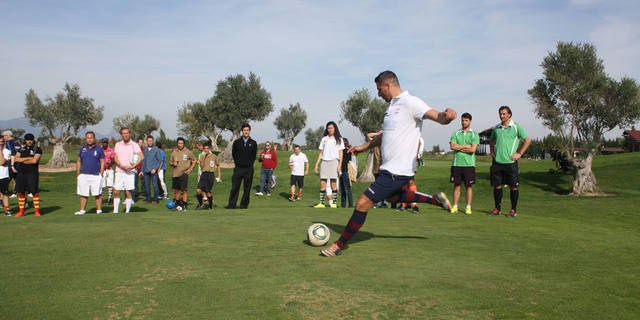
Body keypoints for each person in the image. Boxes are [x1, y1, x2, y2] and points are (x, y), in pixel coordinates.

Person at [321, 70, 456, 257]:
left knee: (362, 203)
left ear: (388, 85)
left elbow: (437, 116)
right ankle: (434, 200)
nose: (378, 94)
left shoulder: (411, 102)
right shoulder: (392, 107)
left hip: (397, 170)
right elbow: (385, 134)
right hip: (389, 168)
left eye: (379, 89)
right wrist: (364, 146)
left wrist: (447, 115)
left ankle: (339, 245)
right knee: (393, 198)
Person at [489, 106, 531, 218]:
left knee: (513, 187)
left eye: (504, 114)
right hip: (497, 162)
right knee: (497, 186)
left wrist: (520, 154)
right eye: (500, 114)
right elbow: (491, 140)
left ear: (509, 115)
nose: (502, 116)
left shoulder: (516, 127)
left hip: (510, 163)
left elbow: (527, 140)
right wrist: (492, 151)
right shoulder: (497, 128)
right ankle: (497, 209)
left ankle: (513, 210)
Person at [449, 113, 479, 214]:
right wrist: (466, 146)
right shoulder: (456, 133)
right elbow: (452, 146)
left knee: (468, 186)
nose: (463, 122)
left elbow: (473, 149)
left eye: (466, 120)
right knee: (457, 186)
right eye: (462, 120)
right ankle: (455, 206)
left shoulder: (474, 134)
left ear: (470, 121)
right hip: (457, 164)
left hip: (469, 165)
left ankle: (468, 207)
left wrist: (459, 147)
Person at [313, 121, 344, 208]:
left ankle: (334, 203)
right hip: (324, 162)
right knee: (323, 183)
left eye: (332, 128)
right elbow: (321, 153)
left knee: (333, 183)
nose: (330, 130)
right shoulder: (324, 139)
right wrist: (316, 165)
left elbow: (341, 153)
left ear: (335, 129)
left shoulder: (339, 139)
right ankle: (321, 203)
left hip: (334, 162)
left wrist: (339, 165)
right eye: (329, 128)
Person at [226, 123, 257, 209]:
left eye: (247, 130)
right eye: (244, 130)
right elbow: (234, 154)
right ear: (242, 131)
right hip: (238, 168)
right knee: (235, 187)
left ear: (249, 131)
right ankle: (231, 205)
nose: (246, 132)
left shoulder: (253, 143)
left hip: (249, 169)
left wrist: (249, 163)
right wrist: (238, 162)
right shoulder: (237, 142)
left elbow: (253, 155)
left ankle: (243, 205)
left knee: (247, 189)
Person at [113, 128, 143, 214]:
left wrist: (133, 166)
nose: (125, 135)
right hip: (119, 170)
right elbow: (116, 157)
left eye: (127, 133)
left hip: (130, 172)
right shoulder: (118, 144)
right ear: (121, 135)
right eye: (123, 133)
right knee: (116, 191)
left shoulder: (134, 145)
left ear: (129, 134)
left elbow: (141, 157)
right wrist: (122, 165)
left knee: (128, 191)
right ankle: (115, 211)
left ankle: (127, 211)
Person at [75, 132, 105, 215]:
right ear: (86, 139)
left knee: (97, 194)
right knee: (83, 194)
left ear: (94, 138)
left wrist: (101, 174)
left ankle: (99, 210)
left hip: (95, 175)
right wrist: (78, 174)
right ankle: (82, 210)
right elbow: (78, 161)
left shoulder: (99, 149)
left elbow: (102, 162)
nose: (89, 139)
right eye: (88, 138)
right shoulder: (82, 148)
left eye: (91, 138)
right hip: (84, 174)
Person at [13, 133, 42, 217]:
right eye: (27, 140)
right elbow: (16, 159)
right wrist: (28, 158)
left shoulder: (37, 149)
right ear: (25, 140)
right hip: (21, 173)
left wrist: (22, 160)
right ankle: (21, 211)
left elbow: (34, 161)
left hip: (32, 173)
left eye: (30, 140)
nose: (29, 141)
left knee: (34, 191)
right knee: (21, 191)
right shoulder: (21, 149)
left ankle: (37, 211)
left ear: (33, 140)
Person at [169, 137, 197, 210]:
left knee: (184, 190)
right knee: (176, 191)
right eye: (179, 143)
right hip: (175, 174)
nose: (180, 145)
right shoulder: (174, 152)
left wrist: (190, 169)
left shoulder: (188, 152)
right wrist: (173, 163)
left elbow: (194, 161)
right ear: (177, 144)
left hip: (184, 174)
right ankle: (178, 205)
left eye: (182, 143)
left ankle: (184, 205)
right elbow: (170, 162)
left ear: (184, 144)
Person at [195, 142, 221, 210]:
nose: (206, 150)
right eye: (204, 149)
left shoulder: (214, 156)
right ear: (203, 149)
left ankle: (210, 206)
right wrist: (202, 159)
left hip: (210, 175)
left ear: (209, 149)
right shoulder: (202, 156)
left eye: (207, 148)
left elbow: (218, 165)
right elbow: (202, 167)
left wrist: (219, 176)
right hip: (203, 174)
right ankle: (201, 204)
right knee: (198, 190)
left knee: (208, 192)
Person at [141, 135, 163, 204]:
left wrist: (155, 169)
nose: (150, 142)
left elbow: (159, 160)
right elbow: (143, 161)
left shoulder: (156, 149)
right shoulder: (145, 150)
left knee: (155, 185)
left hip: (153, 171)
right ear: (147, 142)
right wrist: (142, 170)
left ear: (153, 141)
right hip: (146, 171)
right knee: (147, 186)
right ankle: (148, 199)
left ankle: (156, 199)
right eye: (148, 141)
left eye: (151, 141)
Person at [339, 138, 354, 208]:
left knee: (345, 189)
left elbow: (343, 162)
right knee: (346, 189)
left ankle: (346, 205)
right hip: (344, 171)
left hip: (344, 171)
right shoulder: (349, 151)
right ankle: (345, 205)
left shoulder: (344, 151)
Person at [101, 138, 115, 204]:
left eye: (106, 143)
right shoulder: (100, 150)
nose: (104, 144)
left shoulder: (111, 150)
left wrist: (110, 163)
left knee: (110, 184)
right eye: (103, 143)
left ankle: (110, 198)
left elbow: (113, 159)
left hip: (109, 169)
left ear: (107, 143)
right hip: (102, 169)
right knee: (102, 184)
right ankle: (102, 198)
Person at [0, 139, 11, 215]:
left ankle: (7, 210)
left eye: (2, 142)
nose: (1, 143)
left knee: (5, 194)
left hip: (4, 176)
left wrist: (0, 151)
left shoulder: (7, 151)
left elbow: (3, 162)